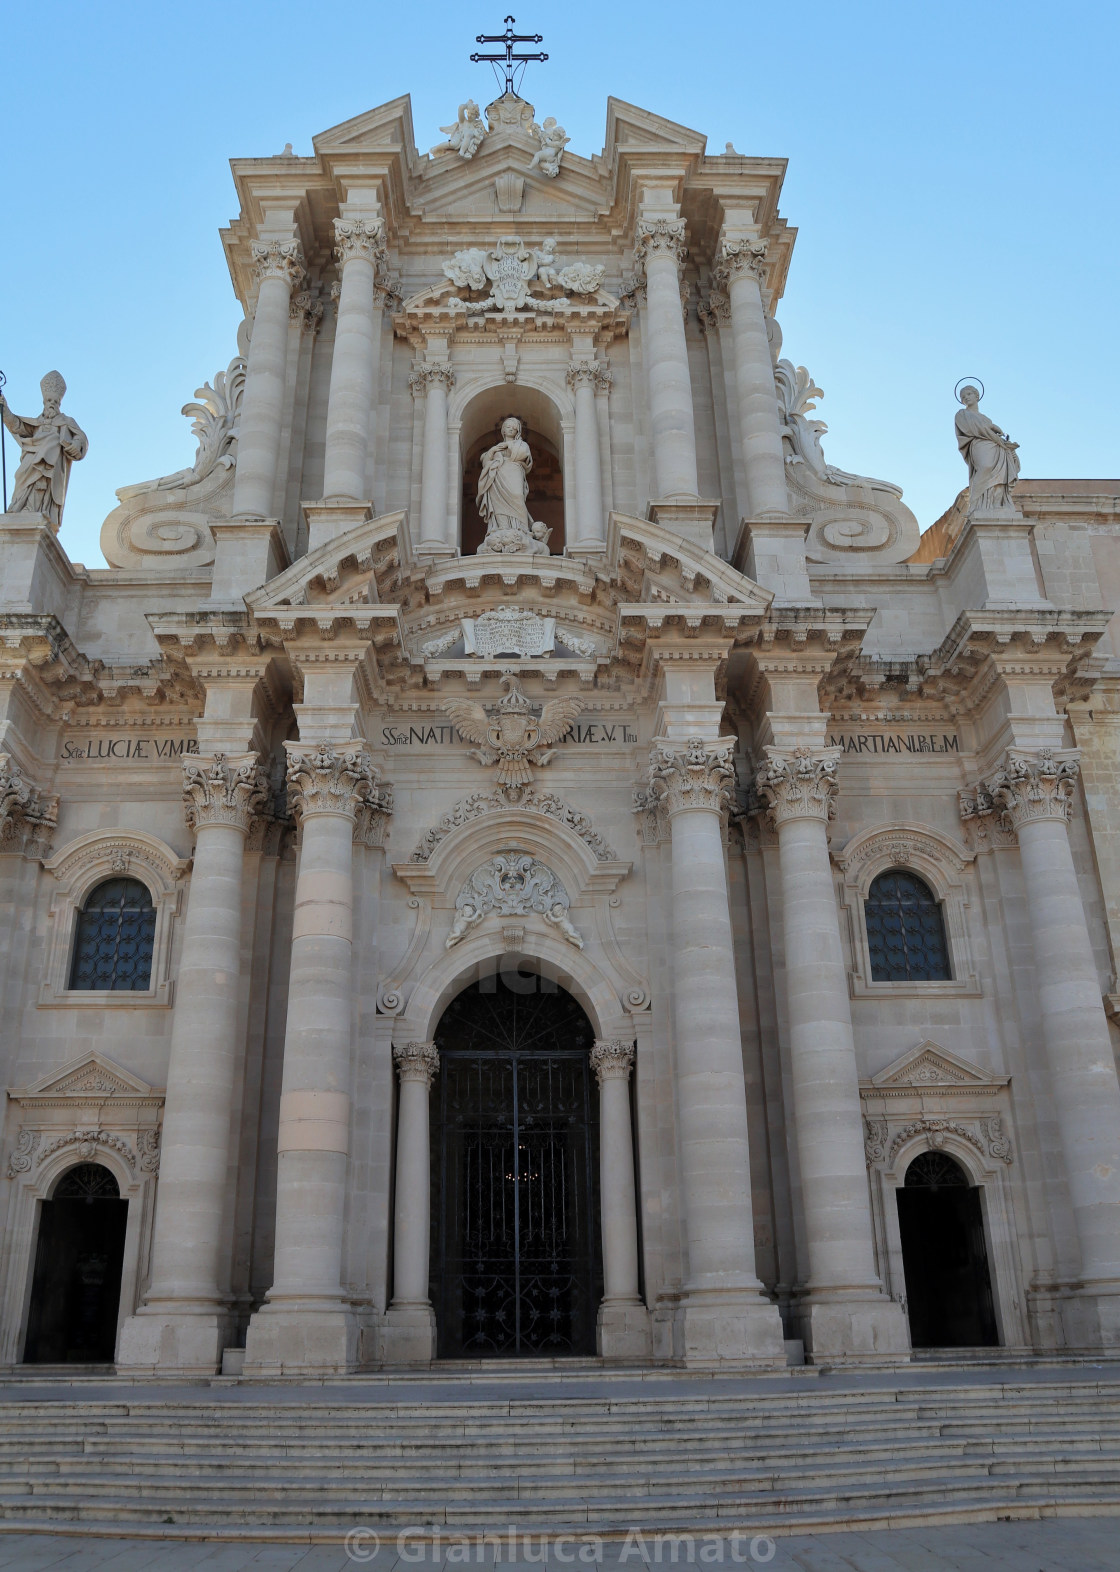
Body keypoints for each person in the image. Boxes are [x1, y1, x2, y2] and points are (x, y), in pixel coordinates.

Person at [1, 371, 88, 528]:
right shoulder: (36, 424)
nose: (52, 403)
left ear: (59, 403)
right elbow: (16, 425)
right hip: (31, 462)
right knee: (24, 480)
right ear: (43, 401)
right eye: (49, 400)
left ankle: (39, 511)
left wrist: (75, 444)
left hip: (52, 468)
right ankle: (22, 507)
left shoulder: (67, 422)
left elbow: (81, 439)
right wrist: (5, 409)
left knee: (53, 442)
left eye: (55, 401)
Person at [476, 417, 549, 554]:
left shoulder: (521, 444)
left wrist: (509, 446)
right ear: (503, 429)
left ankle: (520, 529)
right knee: (498, 503)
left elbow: (524, 455)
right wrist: (493, 451)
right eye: (508, 426)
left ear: (517, 430)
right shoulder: (496, 447)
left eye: (513, 427)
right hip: (496, 476)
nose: (510, 429)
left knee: (517, 496)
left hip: (514, 471)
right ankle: (501, 528)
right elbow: (485, 461)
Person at [955, 384, 1020, 513]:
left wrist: (1002, 441)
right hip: (978, 444)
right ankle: (975, 502)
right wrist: (993, 431)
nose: (966, 398)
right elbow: (971, 429)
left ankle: (995, 503)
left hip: (994, 445)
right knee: (985, 467)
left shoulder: (986, 419)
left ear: (976, 395)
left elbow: (986, 428)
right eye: (963, 397)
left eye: (968, 394)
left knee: (998, 473)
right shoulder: (961, 414)